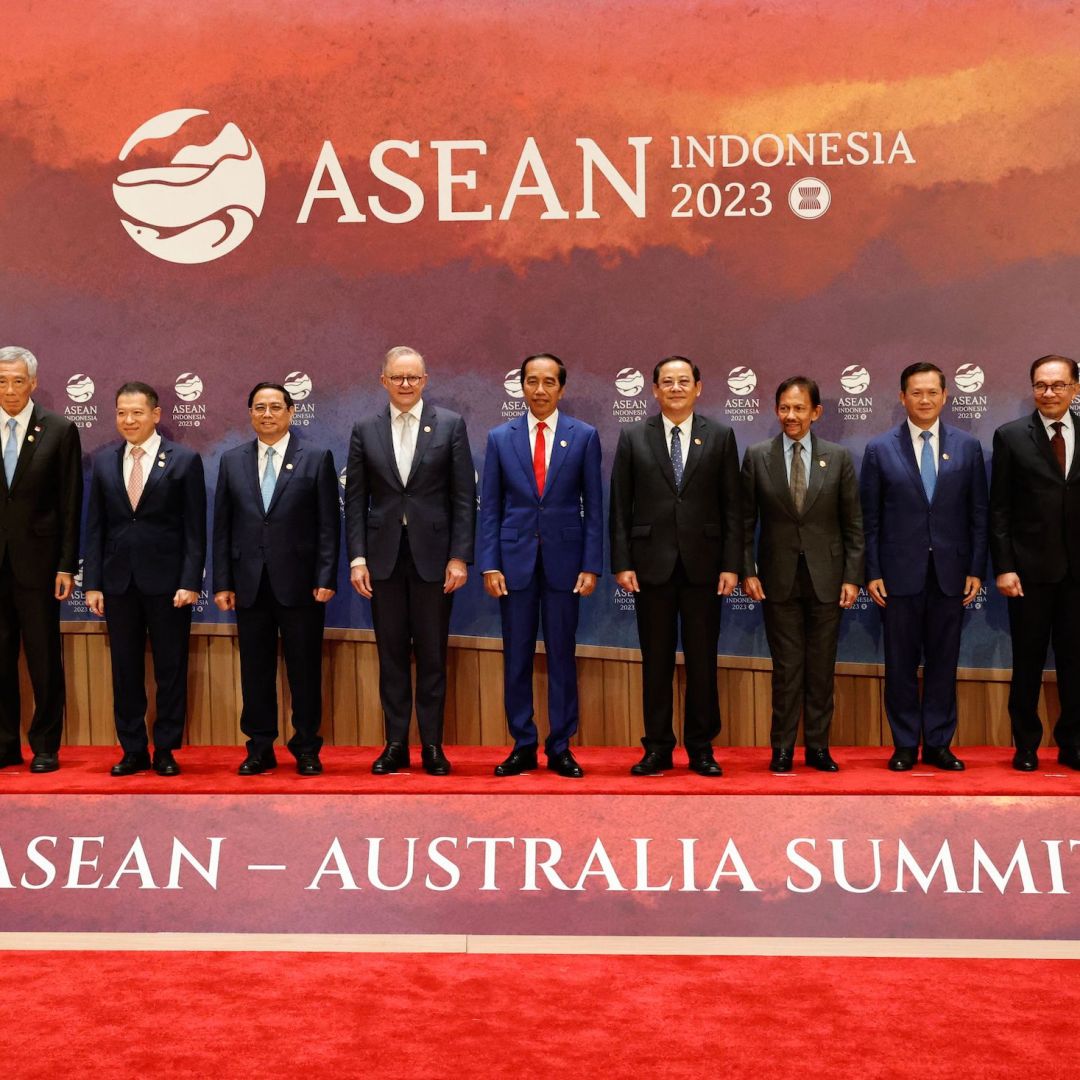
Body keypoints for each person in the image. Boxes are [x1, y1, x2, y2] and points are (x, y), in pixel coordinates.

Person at [610, 356, 742, 777]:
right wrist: (622, 562)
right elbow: (619, 507)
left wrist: (731, 564)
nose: (676, 388)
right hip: (651, 567)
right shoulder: (633, 437)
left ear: (698, 387)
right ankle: (658, 748)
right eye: (667, 382)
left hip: (705, 567)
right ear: (654, 389)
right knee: (656, 663)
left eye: (684, 381)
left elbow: (732, 508)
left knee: (703, 663)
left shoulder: (720, 436)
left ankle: (702, 748)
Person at [346, 346, 475, 775]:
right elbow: (356, 499)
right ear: (382, 380)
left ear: (425, 380)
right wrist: (357, 558)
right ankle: (396, 744)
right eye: (397, 377)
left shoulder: (450, 425)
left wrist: (460, 557)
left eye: (413, 378)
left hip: (435, 561)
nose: (405, 385)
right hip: (382, 560)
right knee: (392, 655)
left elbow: (463, 498)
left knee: (434, 656)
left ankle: (433, 747)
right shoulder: (365, 429)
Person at [479, 353, 602, 778]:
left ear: (561, 388)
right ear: (521, 386)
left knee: (562, 657)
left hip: (565, 565)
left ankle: (561, 746)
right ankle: (523, 743)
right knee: (516, 657)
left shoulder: (583, 436)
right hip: (513, 565)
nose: (540, 390)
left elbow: (594, 507)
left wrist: (591, 564)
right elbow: (490, 508)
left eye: (549, 382)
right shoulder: (500, 437)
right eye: (532, 381)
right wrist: (489, 563)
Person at [860, 362, 987, 771]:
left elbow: (978, 515)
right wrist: (873, 571)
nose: (925, 399)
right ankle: (903, 744)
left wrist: (976, 569)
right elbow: (871, 519)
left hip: (951, 574)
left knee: (943, 662)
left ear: (946, 396)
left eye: (933, 392)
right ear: (902, 397)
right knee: (899, 664)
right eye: (916, 392)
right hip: (898, 575)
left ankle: (937, 743)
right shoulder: (880, 449)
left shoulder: (968, 447)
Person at [213, 382, 339, 776]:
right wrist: (222, 582)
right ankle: (260, 747)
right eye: (259, 408)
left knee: (304, 669)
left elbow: (328, 526)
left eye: (275, 407)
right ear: (250, 413)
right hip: (249, 584)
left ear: (291, 412)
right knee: (255, 671)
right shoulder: (232, 460)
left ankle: (306, 747)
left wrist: (325, 575)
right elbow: (222, 527)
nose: (267, 414)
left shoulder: (316, 458)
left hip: (301, 584)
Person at [741, 376, 864, 772]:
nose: (790, 416)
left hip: (827, 578)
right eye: (784, 408)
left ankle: (817, 747)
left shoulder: (839, 457)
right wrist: (747, 570)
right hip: (776, 579)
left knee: (821, 668)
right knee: (787, 669)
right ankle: (782, 748)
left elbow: (854, 525)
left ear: (816, 412)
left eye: (799, 409)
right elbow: (744, 522)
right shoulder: (758, 456)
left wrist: (852, 576)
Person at [83, 382, 206, 776]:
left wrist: (190, 580)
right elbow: (96, 526)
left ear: (156, 415)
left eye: (137, 412)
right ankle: (133, 749)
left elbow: (194, 529)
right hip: (119, 584)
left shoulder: (184, 460)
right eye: (121, 413)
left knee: (170, 669)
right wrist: (94, 583)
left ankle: (166, 750)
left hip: (170, 585)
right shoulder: (104, 462)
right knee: (125, 670)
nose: (128, 420)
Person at [990, 354, 1080, 771]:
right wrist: (1005, 566)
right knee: (1026, 662)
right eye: (1041, 385)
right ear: (1032, 388)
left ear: (1075, 389)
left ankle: (1073, 743)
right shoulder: (1011, 436)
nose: (1048, 392)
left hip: (1078, 576)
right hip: (1027, 573)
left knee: (1075, 664)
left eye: (1058, 385)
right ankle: (1025, 745)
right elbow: (1000, 510)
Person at [0, 346, 82, 773]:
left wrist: (67, 564)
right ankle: (4, 745)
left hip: (41, 564)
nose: (10, 389)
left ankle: (46, 745)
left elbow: (70, 502)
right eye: (2, 381)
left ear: (33, 382)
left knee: (43, 657)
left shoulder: (59, 428)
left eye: (18, 380)